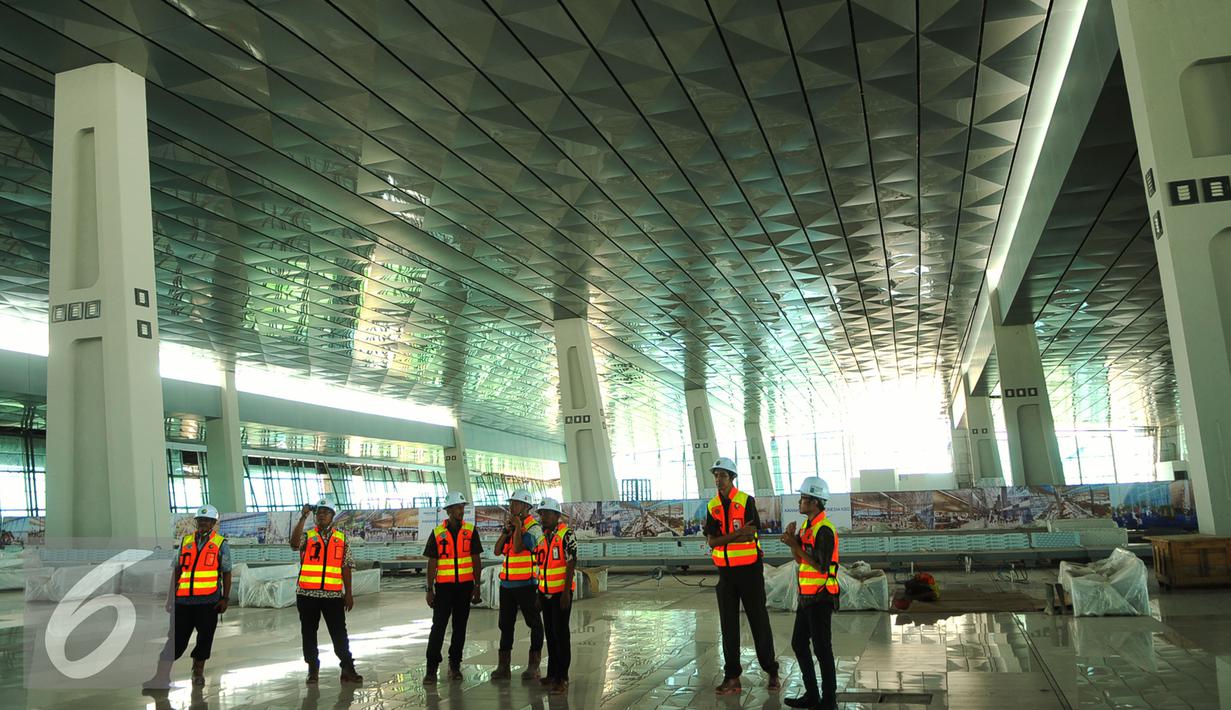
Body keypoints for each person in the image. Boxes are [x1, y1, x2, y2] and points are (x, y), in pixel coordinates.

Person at [705, 457, 780, 695]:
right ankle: (732, 677)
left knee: (759, 621)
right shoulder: (712, 506)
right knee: (728, 626)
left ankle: (772, 671)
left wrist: (728, 537)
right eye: (716, 475)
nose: (718, 480)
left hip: (749, 572)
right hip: (725, 575)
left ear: (732, 478)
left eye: (723, 475)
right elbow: (712, 541)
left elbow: (751, 536)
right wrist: (737, 534)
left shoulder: (746, 501)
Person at [143, 505, 232, 690]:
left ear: (214, 523)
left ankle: (198, 672)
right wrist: (170, 598)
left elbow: (226, 572)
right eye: (200, 520)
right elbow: (176, 571)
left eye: (207, 521)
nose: (203, 524)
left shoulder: (221, 544)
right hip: (183, 602)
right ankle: (160, 677)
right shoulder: (186, 542)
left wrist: (225, 598)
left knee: (205, 639)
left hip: (209, 603)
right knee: (175, 641)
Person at [780, 477, 840, 710]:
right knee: (798, 643)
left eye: (804, 498)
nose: (800, 501)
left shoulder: (824, 529)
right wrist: (793, 541)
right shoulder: (808, 527)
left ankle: (829, 701)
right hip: (806, 596)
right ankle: (813, 695)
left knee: (822, 649)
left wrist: (795, 546)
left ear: (815, 502)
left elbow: (821, 566)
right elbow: (800, 558)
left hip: (821, 596)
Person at [290, 497, 363, 685]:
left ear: (332, 516)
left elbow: (346, 566)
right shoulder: (308, 535)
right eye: (318, 513)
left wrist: (348, 593)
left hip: (332, 595)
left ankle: (347, 667)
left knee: (339, 633)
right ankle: (312, 669)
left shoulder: (341, 538)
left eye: (325, 512)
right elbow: (294, 543)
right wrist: (302, 518)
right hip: (307, 594)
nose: (321, 515)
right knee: (308, 632)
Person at [423, 491, 483, 684]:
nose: (461, 510)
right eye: (457, 507)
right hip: (444, 588)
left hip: (464, 587)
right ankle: (431, 668)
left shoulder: (471, 531)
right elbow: (432, 562)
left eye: (462, 507)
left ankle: (454, 665)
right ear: (448, 510)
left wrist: (476, 585)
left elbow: (476, 559)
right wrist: (429, 589)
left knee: (460, 628)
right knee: (438, 627)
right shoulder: (438, 533)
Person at [490, 488, 545, 681]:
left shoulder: (533, 529)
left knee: (535, 624)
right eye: (511, 503)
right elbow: (497, 550)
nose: (511, 506)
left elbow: (517, 547)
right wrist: (507, 531)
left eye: (515, 503)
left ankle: (533, 666)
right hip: (507, 585)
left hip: (527, 585)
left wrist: (518, 527)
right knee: (505, 625)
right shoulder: (512, 528)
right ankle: (503, 666)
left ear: (526, 506)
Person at [534, 497, 577, 695]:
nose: (542, 517)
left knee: (561, 635)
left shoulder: (566, 535)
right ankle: (552, 674)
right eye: (541, 514)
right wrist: (539, 592)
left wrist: (566, 593)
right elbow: (540, 568)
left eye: (546, 513)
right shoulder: (542, 539)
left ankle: (562, 677)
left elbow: (571, 563)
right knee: (550, 635)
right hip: (545, 593)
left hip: (561, 593)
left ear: (556, 516)